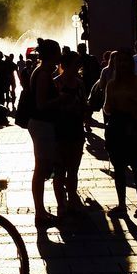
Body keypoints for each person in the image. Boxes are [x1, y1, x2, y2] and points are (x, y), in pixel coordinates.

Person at [103, 47, 137, 218]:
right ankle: (122, 204)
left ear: (131, 63)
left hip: (133, 130)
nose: (122, 64)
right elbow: (106, 108)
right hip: (116, 129)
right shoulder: (112, 84)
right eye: (119, 61)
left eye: (125, 61)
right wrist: (110, 108)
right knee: (119, 170)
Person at [28, 38, 62, 228]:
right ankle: (39, 212)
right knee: (41, 169)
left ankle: (41, 211)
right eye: (57, 52)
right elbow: (41, 104)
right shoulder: (42, 74)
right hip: (41, 125)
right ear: (52, 54)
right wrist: (61, 99)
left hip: (43, 124)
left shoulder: (44, 72)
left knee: (43, 167)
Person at [52, 49, 87, 213]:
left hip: (76, 130)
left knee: (73, 169)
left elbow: (83, 103)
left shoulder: (80, 83)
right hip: (60, 131)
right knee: (60, 170)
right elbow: (50, 107)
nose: (78, 68)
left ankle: (72, 200)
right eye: (75, 64)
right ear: (65, 65)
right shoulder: (56, 83)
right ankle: (61, 204)